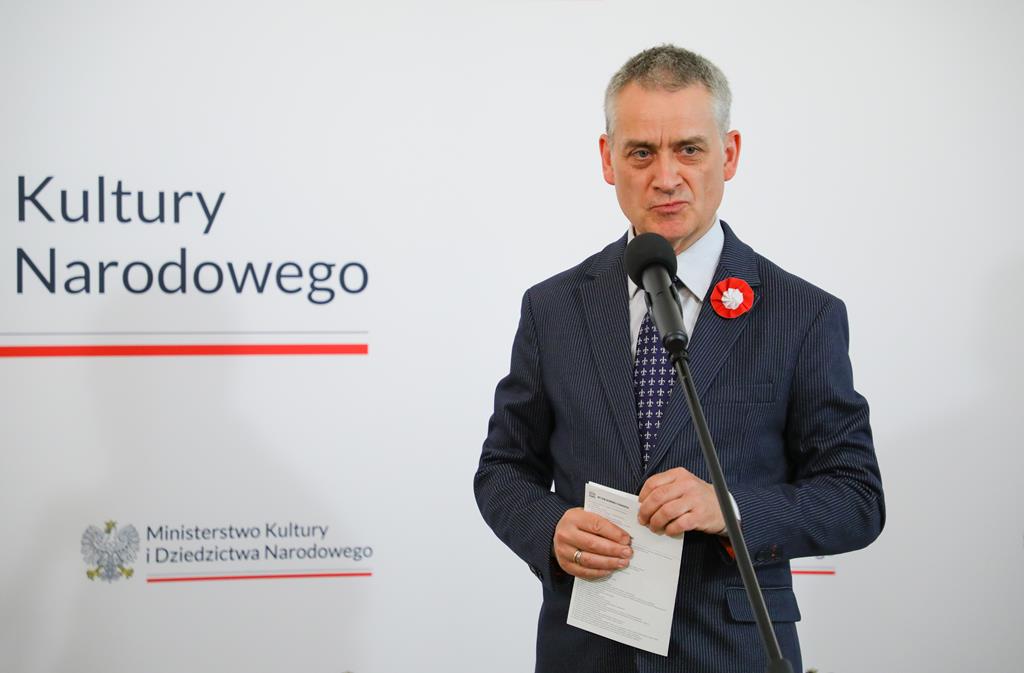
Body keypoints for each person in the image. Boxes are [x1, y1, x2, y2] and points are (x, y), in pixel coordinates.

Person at [473, 44, 884, 673]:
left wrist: (732, 509)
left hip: (732, 653)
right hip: (586, 653)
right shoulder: (552, 307)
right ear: (608, 159)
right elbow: (503, 470)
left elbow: (855, 498)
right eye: (642, 152)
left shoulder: (802, 314)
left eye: (689, 149)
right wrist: (550, 528)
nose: (666, 177)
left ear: (730, 153)